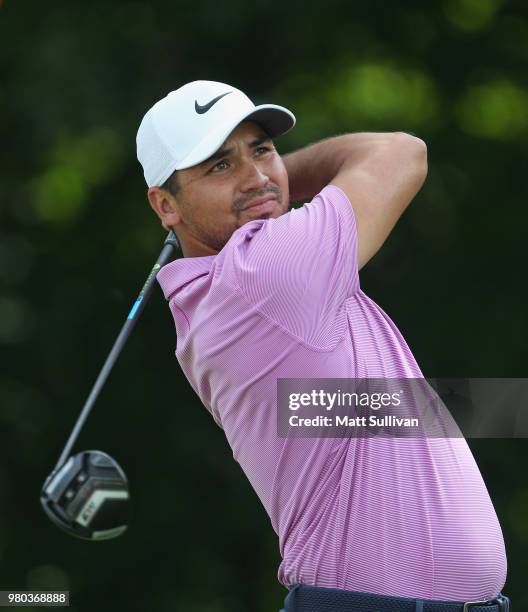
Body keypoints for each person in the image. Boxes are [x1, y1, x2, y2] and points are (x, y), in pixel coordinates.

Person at [136, 80, 510, 612]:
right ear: (165, 205)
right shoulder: (262, 272)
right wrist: (284, 179)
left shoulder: (225, 296)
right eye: (220, 165)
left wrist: (263, 186)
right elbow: (402, 152)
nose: (256, 174)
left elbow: (370, 413)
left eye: (262, 149)